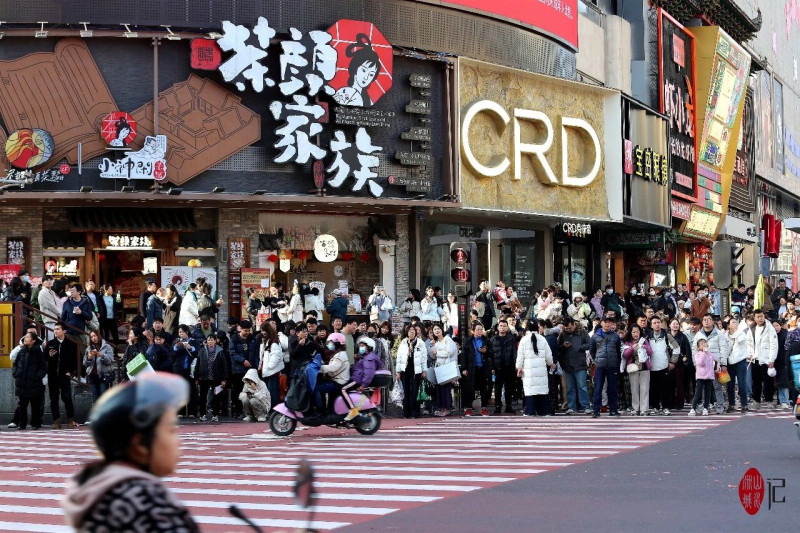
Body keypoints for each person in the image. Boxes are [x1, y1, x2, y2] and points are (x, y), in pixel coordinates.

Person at [61, 372, 200, 532]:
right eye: (170, 429)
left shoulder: (99, 491)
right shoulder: (145, 499)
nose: (178, 440)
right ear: (140, 443)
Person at [691, 313, 729, 415]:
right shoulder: (699, 335)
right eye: (704, 319)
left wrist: (723, 363)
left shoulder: (719, 334)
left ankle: (720, 405)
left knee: (717, 386)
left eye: (709, 319)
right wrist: (696, 364)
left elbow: (724, 348)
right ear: (702, 322)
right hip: (703, 366)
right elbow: (694, 350)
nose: (707, 321)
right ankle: (705, 406)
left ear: (713, 321)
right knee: (703, 388)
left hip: (716, 364)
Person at [340, 336, 385, 420]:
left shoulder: (369, 358)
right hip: (357, 379)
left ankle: (353, 410)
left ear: (369, 347)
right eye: (360, 346)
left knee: (343, 389)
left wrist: (363, 385)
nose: (360, 348)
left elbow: (369, 373)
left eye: (362, 345)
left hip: (357, 380)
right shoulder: (366, 357)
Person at [516, 319, 554, 416]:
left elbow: (520, 356)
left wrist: (519, 367)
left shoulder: (524, 340)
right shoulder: (542, 339)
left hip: (529, 371)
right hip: (541, 370)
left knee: (530, 391)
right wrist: (551, 363)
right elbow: (548, 355)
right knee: (542, 390)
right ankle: (544, 411)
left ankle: (530, 411)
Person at [45, 324, 79, 428]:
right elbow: (44, 358)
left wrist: (71, 372)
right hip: (52, 375)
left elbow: (76, 360)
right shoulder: (50, 344)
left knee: (67, 397)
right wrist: (49, 356)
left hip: (64, 375)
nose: (55, 331)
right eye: (54, 329)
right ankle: (56, 420)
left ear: (64, 331)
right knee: (53, 399)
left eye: (57, 329)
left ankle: (70, 419)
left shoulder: (71, 344)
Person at [333, 33, 380, 107]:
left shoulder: (369, 101)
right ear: (355, 68)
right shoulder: (342, 93)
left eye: (371, 74)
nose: (366, 77)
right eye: (364, 70)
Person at [12, 332, 47, 430]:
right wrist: (15, 373)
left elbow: (43, 367)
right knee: (22, 405)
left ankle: (35, 423)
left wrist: (37, 377)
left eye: (27, 337)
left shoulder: (38, 352)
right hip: (21, 383)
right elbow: (15, 364)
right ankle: (22, 424)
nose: (25, 339)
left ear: (33, 340)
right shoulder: (21, 351)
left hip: (34, 383)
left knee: (35, 405)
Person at [590, 317, 622, 417]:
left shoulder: (615, 336)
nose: (607, 324)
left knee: (612, 388)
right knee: (598, 388)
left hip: (612, 365)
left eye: (610, 322)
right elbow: (592, 351)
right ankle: (596, 410)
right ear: (601, 323)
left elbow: (618, 350)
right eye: (605, 322)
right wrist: (597, 360)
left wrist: (616, 362)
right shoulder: (595, 336)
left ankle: (613, 410)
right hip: (600, 366)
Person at [459, 322, 493, 416]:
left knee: (484, 389)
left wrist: (486, 351)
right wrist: (464, 368)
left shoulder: (486, 340)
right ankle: (469, 408)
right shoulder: (467, 341)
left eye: (481, 329)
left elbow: (491, 353)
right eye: (477, 329)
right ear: (473, 331)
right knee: (469, 388)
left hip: (483, 368)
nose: (479, 331)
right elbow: (463, 356)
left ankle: (484, 408)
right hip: (471, 368)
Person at [558, 318, 591, 414]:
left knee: (582, 386)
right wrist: (563, 346)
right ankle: (571, 406)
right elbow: (558, 347)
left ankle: (586, 406)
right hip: (568, 364)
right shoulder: (563, 334)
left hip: (580, 363)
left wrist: (580, 347)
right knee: (570, 387)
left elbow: (589, 344)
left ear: (574, 324)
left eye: (570, 328)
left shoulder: (582, 332)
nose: (568, 330)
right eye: (567, 328)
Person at [195, 334, 229, 422]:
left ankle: (215, 414)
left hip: (216, 378)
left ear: (215, 341)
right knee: (202, 397)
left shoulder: (220, 351)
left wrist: (224, 379)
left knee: (216, 397)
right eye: (208, 340)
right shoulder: (201, 351)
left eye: (212, 340)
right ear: (206, 341)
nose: (210, 342)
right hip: (203, 377)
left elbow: (224, 366)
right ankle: (203, 414)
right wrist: (196, 377)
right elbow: (197, 365)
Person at [396, 325, 428, 418]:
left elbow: (424, 358)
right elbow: (399, 358)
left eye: (413, 330)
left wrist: (424, 370)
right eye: (410, 330)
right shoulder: (403, 342)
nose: (412, 332)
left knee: (415, 392)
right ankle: (406, 413)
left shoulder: (420, 343)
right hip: (405, 370)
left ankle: (415, 412)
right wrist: (398, 371)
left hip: (416, 371)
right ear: (406, 332)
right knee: (406, 392)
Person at [750, 308, 778, 409]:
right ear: (754, 318)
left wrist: (772, 359)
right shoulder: (752, 328)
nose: (760, 318)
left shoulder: (769, 328)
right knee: (756, 381)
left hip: (766, 358)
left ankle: (769, 400)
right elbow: (749, 343)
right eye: (758, 317)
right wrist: (750, 355)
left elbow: (774, 344)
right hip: (755, 358)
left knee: (768, 381)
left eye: (762, 316)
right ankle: (756, 401)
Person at [315, 332, 350, 412]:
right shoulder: (339, 353)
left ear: (337, 343)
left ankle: (320, 411)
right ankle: (329, 412)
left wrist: (318, 368)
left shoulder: (340, 355)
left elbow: (332, 367)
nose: (329, 345)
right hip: (337, 380)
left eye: (331, 343)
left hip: (338, 383)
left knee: (317, 388)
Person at [622, 325, 652, 416]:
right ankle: (635, 408)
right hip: (633, 368)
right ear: (630, 333)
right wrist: (632, 348)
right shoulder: (627, 343)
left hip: (644, 367)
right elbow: (625, 355)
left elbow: (651, 352)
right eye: (634, 332)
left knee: (645, 388)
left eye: (637, 332)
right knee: (634, 388)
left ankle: (644, 409)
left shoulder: (644, 340)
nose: (636, 334)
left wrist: (644, 346)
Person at [726, 317, 752, 413]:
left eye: (736, 322)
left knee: (742, 384)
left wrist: (736, 331)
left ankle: (744, 405)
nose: (735, 323)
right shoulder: (725, 335)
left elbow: (741, 341)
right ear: (728, 325)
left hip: (740, 361)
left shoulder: (741, 333)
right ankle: (731, 404)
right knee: (730, 385)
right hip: (729, 362)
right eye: (732, 322)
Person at [430, 324, 458, 417]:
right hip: (439, 368)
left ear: (442, 330)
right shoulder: (436, 343)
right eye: (435, 329)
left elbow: (449, 352)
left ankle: (447, 408)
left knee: (446, 389)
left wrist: (438, 353)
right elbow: (433, 356)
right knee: (440, 389)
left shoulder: (448, 339)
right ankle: (442, 408)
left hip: (447, 367)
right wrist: (432, 346)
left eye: (438, 328)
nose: (437, 330)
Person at [491, 319, 517, 414]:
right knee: (497, 388)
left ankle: (508, 406)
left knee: (509, 387)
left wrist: (515, 364)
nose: (502, 328)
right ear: (498, 327)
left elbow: (514, 352)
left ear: (507, 327)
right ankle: (498, 406)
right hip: (497, 367)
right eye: (501, 326)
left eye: (504, 326)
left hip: (509, 366)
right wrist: (492, 367)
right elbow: (491, 355)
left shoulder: (511, 339)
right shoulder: (493, 339)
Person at [84, 330, 115, 404]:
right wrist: (89, 358)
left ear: (99, 335)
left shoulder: (107, 347)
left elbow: (110, 360)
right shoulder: (89, 348)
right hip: (92, 376)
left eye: (95, 335)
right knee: (96, 398)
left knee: (103, 398)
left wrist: (102, 355)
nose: (93, 338)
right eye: (91, 337)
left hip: (103, 376)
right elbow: (85, 363)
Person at [258, 322, 284, 408]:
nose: (263, 333)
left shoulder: (273, 342)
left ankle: (275, 410)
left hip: (272, 371)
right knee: (271, 392)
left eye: (264, 331)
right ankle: (273, 409)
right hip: (268, 370)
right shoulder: (268, 340)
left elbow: (276, 356)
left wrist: (269, 366)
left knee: (273, 392)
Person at [689, 338, 715, 416]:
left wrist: (717, 368)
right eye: (701, 344)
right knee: (698, 393)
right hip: (700, 376)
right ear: (698, 347)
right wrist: (704, 353)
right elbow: (700, 363)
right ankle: (693, 408)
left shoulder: (710, 354)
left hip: (709, 376)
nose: (704, 344)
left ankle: (705, 408)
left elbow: (714, 362)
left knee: (708, 393)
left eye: (705, 343)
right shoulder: (697, 354)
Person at [38, 275, 63, 341]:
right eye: (46, 280)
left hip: (55, 319)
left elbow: (58, 304)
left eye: (50, 280)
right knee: (50, 340)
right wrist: (61, 314)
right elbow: (51, 306)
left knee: (54, 339)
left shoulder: (51, 292)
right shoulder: (43, 292)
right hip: (49, 319)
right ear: (43, 282)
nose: (49, 281)